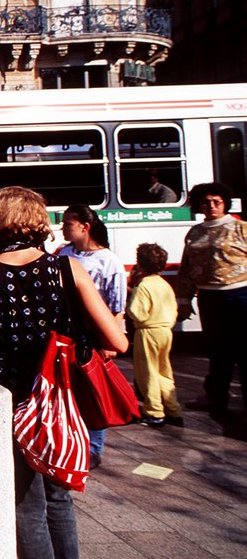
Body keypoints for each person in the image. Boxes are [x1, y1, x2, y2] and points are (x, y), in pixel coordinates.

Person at [0, 186, 127, 559]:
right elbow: (118, 343)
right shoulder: (67, 267)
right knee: (60, 499)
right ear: (38, 221)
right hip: (62, 396)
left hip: (14, 399)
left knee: (27, 504)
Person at [57, 203, 126, 467]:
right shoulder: (64, 254)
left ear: (84, 227)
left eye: (67, 223)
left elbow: (117, 307)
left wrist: (110, 342)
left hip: (95, 335)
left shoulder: (109, 261)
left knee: (94, 389)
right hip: (67, 333)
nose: (63, 228)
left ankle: (94, 447)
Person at [175, 182, 247, 417]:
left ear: (225, 203)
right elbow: (186, 268)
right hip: (209, 297)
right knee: (218, 351)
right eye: (206, 202)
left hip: (240, 295)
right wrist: (184, 299)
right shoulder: (195, 232)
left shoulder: (241, 228)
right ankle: (216, 398)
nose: (211, 206)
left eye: (217, 202)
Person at [127, 242, 183, 427]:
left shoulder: (143, 285)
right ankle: (173, 409)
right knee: (163, 371)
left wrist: (131, 295)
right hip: (165, 331)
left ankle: (154, 411)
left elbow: (137, 312)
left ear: (140, 263)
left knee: (147, 372)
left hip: (147, 331)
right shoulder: (164, 284)